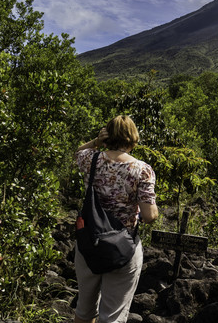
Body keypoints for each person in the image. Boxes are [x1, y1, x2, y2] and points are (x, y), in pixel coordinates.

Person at [74, 115, 158, 323]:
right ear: (132, 138)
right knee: (112, 317)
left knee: (84, 311)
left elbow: (77, 152)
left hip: (89, 242)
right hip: (122, 248)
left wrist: (95, 142)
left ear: (107, 135)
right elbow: (149, 217)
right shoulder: (142, 170)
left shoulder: (89, 159)